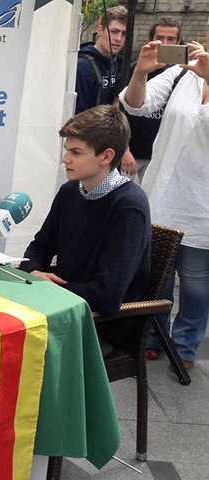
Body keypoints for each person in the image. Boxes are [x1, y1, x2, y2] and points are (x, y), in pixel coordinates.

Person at [19, 105, 151, 350]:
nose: (64, 158)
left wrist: (48, 286)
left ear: (106, 157)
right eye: (67, 150)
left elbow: (108, 296)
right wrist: (35, 272)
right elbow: (39, 247)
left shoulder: (128, 205)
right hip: (63, 306)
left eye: (76, 152)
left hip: (100, 325)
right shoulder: (70, 191)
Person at [119, 24, 209, 371]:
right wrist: (141, 71)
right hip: (165, 192)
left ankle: (186, 344)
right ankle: (155, 337)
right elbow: (136, 104)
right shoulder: (178, 74)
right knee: (160, 276)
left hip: (202, 202)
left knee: (198, 283)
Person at [123, 17, 183, 184]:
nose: (164, 43)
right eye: (159, 38)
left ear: (178, 42)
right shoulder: (137, 69)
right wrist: (124, 149)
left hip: (158, 156)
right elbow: (119, 109)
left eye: (170, 39)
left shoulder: (178, 74)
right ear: (150, 40)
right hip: (131, 152)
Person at [75, 6, 127, 114]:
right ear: (100, 30)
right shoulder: (83, 67)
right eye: (114, 31)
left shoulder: (117, 63)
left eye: (124, 34)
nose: (118, 38)